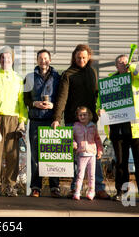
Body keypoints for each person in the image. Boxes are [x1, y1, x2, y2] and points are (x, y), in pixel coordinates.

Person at [51, 44, 109, 200]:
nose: (81, 60)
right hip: (73, 121)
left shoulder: (92, 72)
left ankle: (99, 188)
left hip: (90, 123)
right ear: (74, 57)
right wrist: (57, 118)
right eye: (78, 57)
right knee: (78, 156)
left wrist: (101, 109)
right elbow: (61, 98)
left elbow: (97, 95)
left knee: (94, 155)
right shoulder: (67, 74)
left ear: (89, 57)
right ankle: (74, 188)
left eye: (84, 57)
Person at [102, 54, 139, 204]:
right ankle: (121, 192)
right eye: (120, 63)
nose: (124, 64)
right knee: (120, 163)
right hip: (118, 129)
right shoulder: (111, 82)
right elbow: (101, 103)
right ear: (116, 66)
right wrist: (99, 111)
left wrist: (134, 68)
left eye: (127, 62)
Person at [0, 46, 28, 197]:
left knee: (12, 155)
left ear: (12, 60)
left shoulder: (18, 78)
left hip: (13, 119)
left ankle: (10, 185)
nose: (5, 60)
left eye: (8, 58)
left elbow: (22, 102)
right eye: (2, 57)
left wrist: (22, 121)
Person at [23, 49, 62, 198]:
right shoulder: (29, 78)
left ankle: (54, 187)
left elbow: (62, 97)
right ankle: (36, 187)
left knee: (52, 154)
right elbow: (25, 99)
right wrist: (34, 103)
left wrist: (54, 106)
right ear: (37, 60)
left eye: (45, 58)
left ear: (50, 60)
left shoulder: (57, 77)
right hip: (35, 121)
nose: (43, 61)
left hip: (52, 121)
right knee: (35, 156)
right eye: (40, 58)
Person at [72, 106, 103, 200]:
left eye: (84, 115)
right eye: (80, 115)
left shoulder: (93, 126)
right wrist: (73, 142)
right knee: (80, 174)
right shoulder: (75, 126)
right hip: (81, 154)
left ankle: (91, 191)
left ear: (89, 115)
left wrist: (100, 150)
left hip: (92, 154)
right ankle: (77, 192)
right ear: (77, 116)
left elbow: (97, 139)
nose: (82, 117)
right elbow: (71, 137)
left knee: (92, 175)